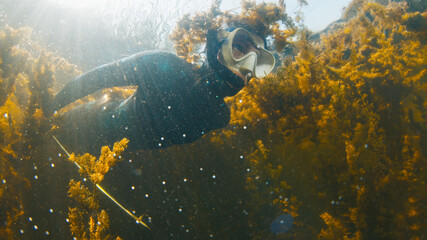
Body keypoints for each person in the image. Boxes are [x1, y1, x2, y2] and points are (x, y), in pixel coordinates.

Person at [53, 28, 275, 154]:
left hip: (108, 160)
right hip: (82, 123)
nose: (247, 66)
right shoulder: (163, 66)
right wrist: (48, 109)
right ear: (218, 47)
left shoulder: (219, 116)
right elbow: (93, 80)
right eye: (240, 47)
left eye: (258, 62)